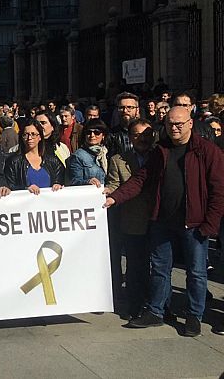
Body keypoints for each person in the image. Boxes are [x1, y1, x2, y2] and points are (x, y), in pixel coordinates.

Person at [107, 107, 224, 337]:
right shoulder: (161, 151)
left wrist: (209, 225)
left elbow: (218, 191)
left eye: (180, 123)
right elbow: (140, 179)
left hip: (195, 224)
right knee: (160, 269)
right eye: (170, 123)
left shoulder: (207, 151)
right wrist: (115, 197)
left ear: (190, 123)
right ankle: (156, 311)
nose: (175, 127)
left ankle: (193, 316)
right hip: (163, 222)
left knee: (196, 272)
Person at [105, 118, 155, 319]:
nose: (141, 139)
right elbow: (114, 185)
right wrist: (108, 192)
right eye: (136, 135)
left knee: (160, 266)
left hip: (158, 218)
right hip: (132, 220)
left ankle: (159, 305)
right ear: (129, 137)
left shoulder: (161, 156)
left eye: (145, 135)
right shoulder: (119, 159)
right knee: (135, 264)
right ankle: (134, 305)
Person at [0, 119, 65, 195]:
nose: (29, 138)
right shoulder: (13, 162)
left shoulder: (53, 161)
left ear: (40, 137)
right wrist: (25, 189)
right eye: (26, 134)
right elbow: (10, 186)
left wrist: (58, 185)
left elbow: (63, 181)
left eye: (33, 134)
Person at [66, 119, 109, 187]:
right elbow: (73, 181)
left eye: (96, 132)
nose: (92, 135)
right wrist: (87, 182)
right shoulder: (78, 156)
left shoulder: (107, 153)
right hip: (90, 194)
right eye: (88, 132)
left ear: (103, 135)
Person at [107, 92, 140, 160]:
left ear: (137, 110)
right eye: (121, 107)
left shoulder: (146, 133)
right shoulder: (111, 135)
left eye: (130, 107)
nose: (125, 111)